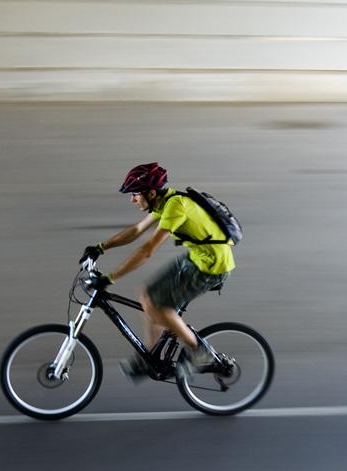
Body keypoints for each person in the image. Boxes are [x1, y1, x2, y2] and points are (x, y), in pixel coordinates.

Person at [80, 162, 235, 380]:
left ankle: (199, 353)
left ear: (151, 193)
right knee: (147, 295)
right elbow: (136, 231)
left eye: (135, 194)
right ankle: (150, 358)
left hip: (212, 265)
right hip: (197, 258)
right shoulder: (163, 203)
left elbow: (147, 250)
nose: (132, 199)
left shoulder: (175, 206)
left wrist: (110, 278)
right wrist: (100, 247)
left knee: (158, 306)